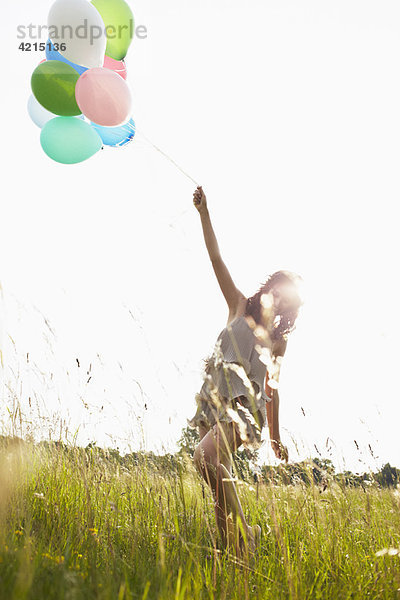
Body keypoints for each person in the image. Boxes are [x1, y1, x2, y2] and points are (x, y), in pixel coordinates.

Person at [188, 185, 303, 558]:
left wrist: (276, 436)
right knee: (216, 478)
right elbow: (216, 259)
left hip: (244, 409)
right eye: (280, 290)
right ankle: (235, 551)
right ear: (270, 287)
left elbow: (273, 389)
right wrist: (205, 213)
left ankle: (248, 531)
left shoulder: (278, 341)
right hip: (213, 399)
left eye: (290, 299)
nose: (282, 299)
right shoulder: (237, 305)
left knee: (205, 458)